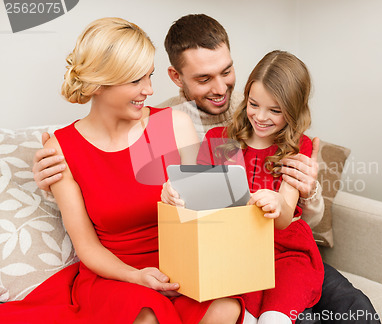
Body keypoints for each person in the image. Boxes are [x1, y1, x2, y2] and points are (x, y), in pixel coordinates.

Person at [32, 14, 380, 324]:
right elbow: (91, 241)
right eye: (203, 78)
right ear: (178, 78)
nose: (220, 88)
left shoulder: (237, 110)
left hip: (259, 248)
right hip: (143, 268)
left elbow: (221, 206)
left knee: (354, 308)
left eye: (226, 72)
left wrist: (311, 190)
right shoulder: (68, 148)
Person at [1, 17, 243, 324]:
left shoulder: (174, 124)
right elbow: (86, 245)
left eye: (150, 76)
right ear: (99, 84)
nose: (149, 90)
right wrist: (136, 276)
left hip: (182, 268)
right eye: (135, 81)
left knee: (225, 308)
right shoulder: (61, 149)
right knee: (147, 316)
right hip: (116, 275)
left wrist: (189, 198)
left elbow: (206, 216)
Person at [162, 50, 325, 324]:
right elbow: (199, 203)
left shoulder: (298, 146)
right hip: (234, 250)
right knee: (242, 316)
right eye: (253, 104)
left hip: (286, 254)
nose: (260, 117)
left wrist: (276, 202)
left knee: (275, 318)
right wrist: (174, 194)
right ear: (246, 96)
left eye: (275, 110)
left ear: (294, 111)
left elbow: (285, 219)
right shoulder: (220, 139)